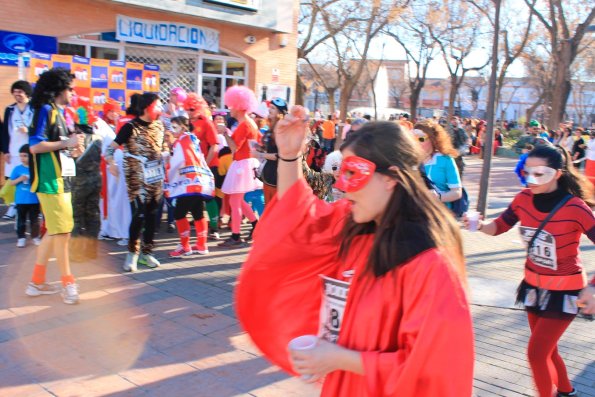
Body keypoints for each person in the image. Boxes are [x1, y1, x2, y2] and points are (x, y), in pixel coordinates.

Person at [236, 110, 474, 396]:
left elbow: (435, 367)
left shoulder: (430, 264)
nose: (342, 187)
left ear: (391, 178)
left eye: (353, 173)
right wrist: (290, 155)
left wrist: (341, 359)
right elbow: (298, 218)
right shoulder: (357, 227)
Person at [465, 145, 594, 397]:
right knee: (548, 350)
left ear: (557, 174)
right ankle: (567, 391)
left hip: (564, 292)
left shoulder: (576, 208)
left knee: (536, 354)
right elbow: (499, 227)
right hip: (533, 288)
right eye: (528, 172)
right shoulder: (523, 198)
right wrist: (479, 225)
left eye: (540, 174)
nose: (531, 179)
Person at [26, 67, 85, 305]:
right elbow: (34, 146)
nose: (73, 92)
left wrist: (73, 148)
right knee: (62, 233)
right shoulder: (45, 110)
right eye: (70, 88)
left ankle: (36, 282)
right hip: (50, 182)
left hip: (60, 179)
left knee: (55, 231)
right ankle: (68, 283)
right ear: (60, 89)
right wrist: (66, 143)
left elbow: (60, 148)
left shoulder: (58, 113)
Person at [106, 93, 168, 272]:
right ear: (148, 107)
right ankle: (132, 253)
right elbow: (110, 149)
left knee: (152, 216)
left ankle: (146, 253)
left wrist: (166, 153)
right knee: (139, 214)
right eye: (157, 105)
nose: (160, 109)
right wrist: (111, 163)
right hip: (136, 178)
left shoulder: (160, 126)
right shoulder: (130, 127)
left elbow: (163, 146)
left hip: (155, 176)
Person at [165, 116, 215, 257]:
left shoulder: (181, 142)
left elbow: (179, 162)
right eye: (171, 127)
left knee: (179, 214)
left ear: (183, 127)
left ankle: (185, 246)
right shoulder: (192, 139)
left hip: (188, 183)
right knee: (197, 212)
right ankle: (201, 245)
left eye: (175, 127)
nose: (172, 130)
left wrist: (168, 171)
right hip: (199, 180)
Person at [219, 86, 262, 247]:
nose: (229, 109)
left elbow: (234, 147)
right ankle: (255, 225)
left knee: (234, 202)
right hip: (244, 163)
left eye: (231, 105)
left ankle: (236, 236)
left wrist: (225, 133)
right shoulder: (249, 123)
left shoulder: (245, 125)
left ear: (238, 106)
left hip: (242, 164)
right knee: (239, 200)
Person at [413, 120, 463, 210]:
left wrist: (438, 197)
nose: (417, 142)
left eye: (421, 138)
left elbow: (457, 192)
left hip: (440, 214)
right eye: (414, 138)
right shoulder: (411, 160)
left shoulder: (445, 160)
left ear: (433, 139)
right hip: (416, 214)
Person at [2, 80, 33, 220]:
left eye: (20, 92)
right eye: (15, 93)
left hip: (29, 150)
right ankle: (13, 206)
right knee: (12, 178)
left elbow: (39, 128)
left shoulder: (34, 108)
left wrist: (29, 130)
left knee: (29, 178)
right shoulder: (9, 109)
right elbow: (4, 132)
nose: (17, 95)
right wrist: (5, 151)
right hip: (13, 151)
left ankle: (31, 207)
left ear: (26, 93)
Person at [9, 144, 40, 248]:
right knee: (21, 220)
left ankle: (35, 237)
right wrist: (20, 179)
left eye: (25, 156)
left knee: (34, 220)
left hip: (34, 200)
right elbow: (11, 183)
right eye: (21, 156)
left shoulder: (35, 168)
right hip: (21, 200)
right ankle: (21, 238)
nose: (22, 158)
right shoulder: (17, 169)